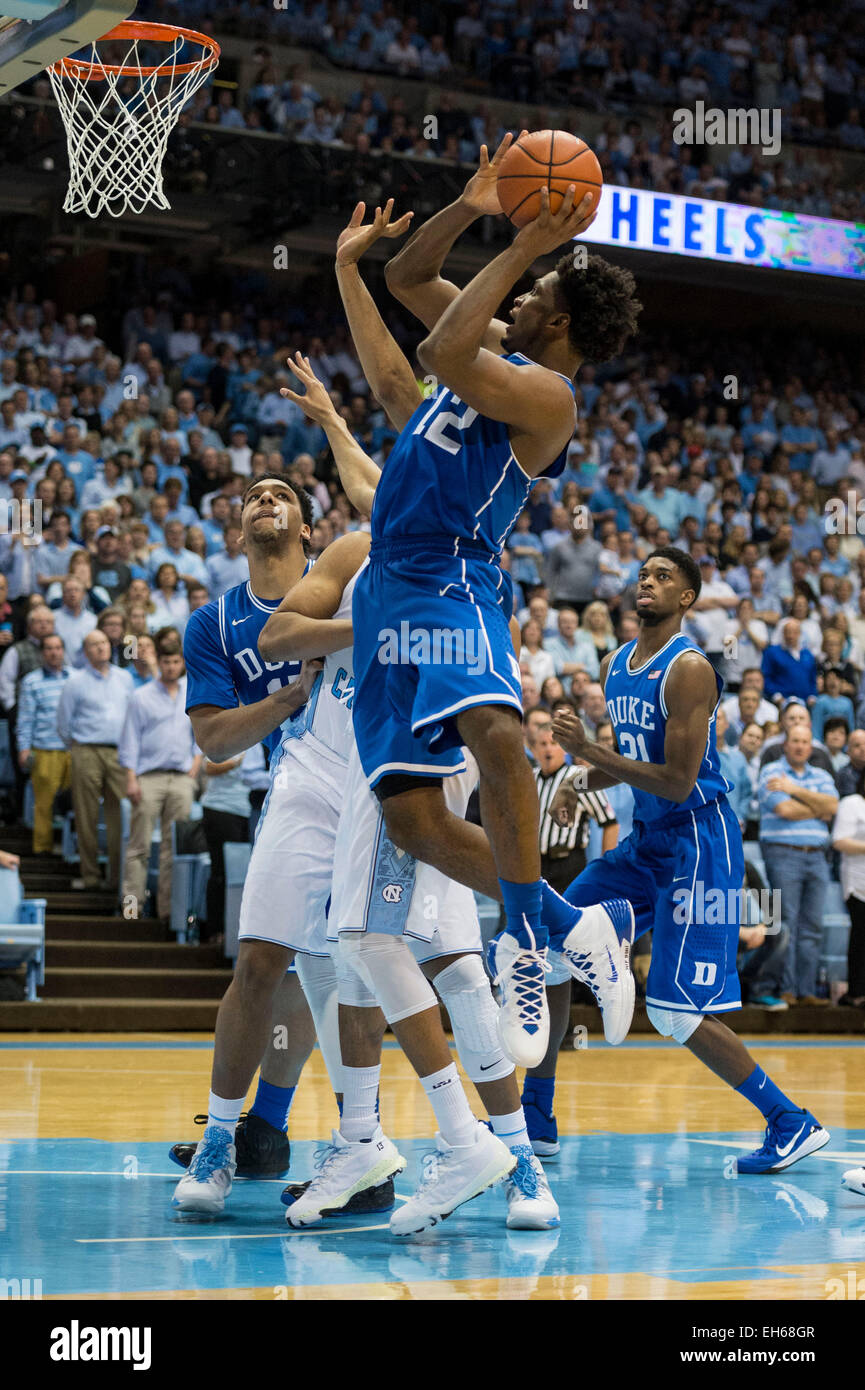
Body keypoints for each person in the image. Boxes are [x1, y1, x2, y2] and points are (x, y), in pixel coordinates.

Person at [255, 375, 557, 1233]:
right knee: (366, 959)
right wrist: (331, 420)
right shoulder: (364, 548)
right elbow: (280, 630)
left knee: (441, 964)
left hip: (421, 761)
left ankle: (506, 1152)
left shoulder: (438, 549)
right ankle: (375, 1141)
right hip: (370, 771)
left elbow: (387, 433)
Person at [361, 143, 641, 1065]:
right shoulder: (492, 340)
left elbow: (439, 347)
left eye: (532, 296)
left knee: (497, 734)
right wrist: (473, 204)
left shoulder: (545, 395)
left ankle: (523, 934)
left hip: (449, 573)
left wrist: (523, 246)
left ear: (557, 322)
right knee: (409, 816)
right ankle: (568, 924)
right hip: (387, 591)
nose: (516, 299)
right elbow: (406, 275)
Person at [550, 546, 830, 1173]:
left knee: (675, 1013)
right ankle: (537, 1115)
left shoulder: (690, 670)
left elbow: (676, 780)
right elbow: (631, 759)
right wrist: (576, 783)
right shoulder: (616, 661)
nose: (646, 582)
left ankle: (790, 1122)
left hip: (700, 842)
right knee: (555, 929)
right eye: (642, 573)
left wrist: (587, 754)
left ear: (686, 600)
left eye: (663, 577)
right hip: (650, 841)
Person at [170, 478, 387, 1214]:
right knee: (266, 958)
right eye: (253, 497)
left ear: (307, 525)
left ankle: (323, 1134)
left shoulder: (349, 573)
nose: (265, 500)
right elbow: (214, 740)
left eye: (281, 494)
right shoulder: (215, 622)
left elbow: (395, 506)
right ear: (238, 534)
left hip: (378, 781)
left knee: (348, 965)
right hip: (296, 779)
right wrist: (285, 699)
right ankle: (226, 1139)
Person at [118, 630, 201, 925]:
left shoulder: (193, 690)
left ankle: (169, 912)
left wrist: (195, 765)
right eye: (166, 662)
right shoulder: (140, 697)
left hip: (181, 777)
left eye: (176, 661)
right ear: (160, 663)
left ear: (182, 663)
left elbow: (200, 734)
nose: (170, 667)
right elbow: (129, 741)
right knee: (138, 846)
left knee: (172, 849)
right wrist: (130, 778)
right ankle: (132, 908)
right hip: (148, 777)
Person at [757, 725, 839, 1004]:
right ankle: (786, 989)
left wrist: (793, 789)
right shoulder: (770, 771)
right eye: (795, 741)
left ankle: (806, 991)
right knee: (787, 924)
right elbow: (784, 809)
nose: (801, 746)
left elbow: (834, 807)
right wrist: (817, 807)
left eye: (805, 741)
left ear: (811, 747)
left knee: (812, 927)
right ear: (785, 744)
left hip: (817, 856)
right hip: (783, 854)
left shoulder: (823, 774)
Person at [56, 628, 134, 892]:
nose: (100, 648)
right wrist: (77, 746)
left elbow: (131, 718)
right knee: (86, 815)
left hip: (118, 752)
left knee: (120, 817)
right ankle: (89, 876)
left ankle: (116, 878)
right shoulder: (74, 681)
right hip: (85, 750)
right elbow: (63, 724)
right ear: (86, 652)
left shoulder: (124, 678)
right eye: (93, 644)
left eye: (103, 643)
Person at [15, 632, 71, 855]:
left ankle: (73, 850)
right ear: (41, 653)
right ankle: (43, 850)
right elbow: (25, 718)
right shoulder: (31, 681)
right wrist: (24, 748)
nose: (54, 652)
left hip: (74, 749)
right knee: (43, 804)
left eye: (58, 647)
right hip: (44, 748)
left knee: (78, 806)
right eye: (48, 648)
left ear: (63, 651)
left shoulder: (74, 677)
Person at [830, 767, 865, 1008]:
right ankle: (857, 993)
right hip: (858, 882)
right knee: (861, 938)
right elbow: (839, 841)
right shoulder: (852, 803)